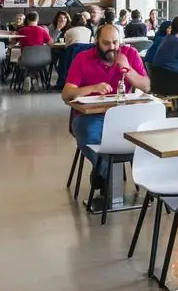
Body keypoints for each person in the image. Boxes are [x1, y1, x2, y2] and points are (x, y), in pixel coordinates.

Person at [63, 21, 150, 208]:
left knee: (142, 135)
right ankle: (107, 170)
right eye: (106, 43)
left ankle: (102, 170)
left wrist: (127, 69)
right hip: (91, 117)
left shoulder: (130, 54)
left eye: (115, 43)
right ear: (96, 41)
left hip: (123, 117)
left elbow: (146, 86)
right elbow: (67, 94)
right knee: (86, 132)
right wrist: (91, 88)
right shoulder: (83, 58)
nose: (112, 47)